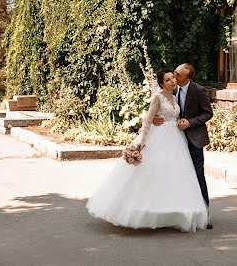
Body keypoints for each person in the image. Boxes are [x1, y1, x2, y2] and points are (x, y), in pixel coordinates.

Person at [86, 68, 208, 232]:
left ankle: (179, 212)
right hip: (160, 137)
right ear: (161, 83)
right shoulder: (158, 97)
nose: (173, 81)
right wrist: (143, 138)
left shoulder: (176, 95)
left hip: (177, 139)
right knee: (153, 172)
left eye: (174, 78)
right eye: (169, 79)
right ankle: (144, 210)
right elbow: (148, 119)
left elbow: (179, 114)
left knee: (176, 175)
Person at [153, 63, 213, 229]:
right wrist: (154, 118)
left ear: (186, 78)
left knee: (198, 175)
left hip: (194, 138)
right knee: (178, 176)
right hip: (174, 139)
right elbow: (159, 106)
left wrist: (191, 122)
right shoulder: (171, 89)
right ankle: (180, 213)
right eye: (174, 74)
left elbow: (208, 113)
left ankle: (205, 214)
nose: (173, 77)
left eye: (177, 75)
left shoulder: (198, 90)